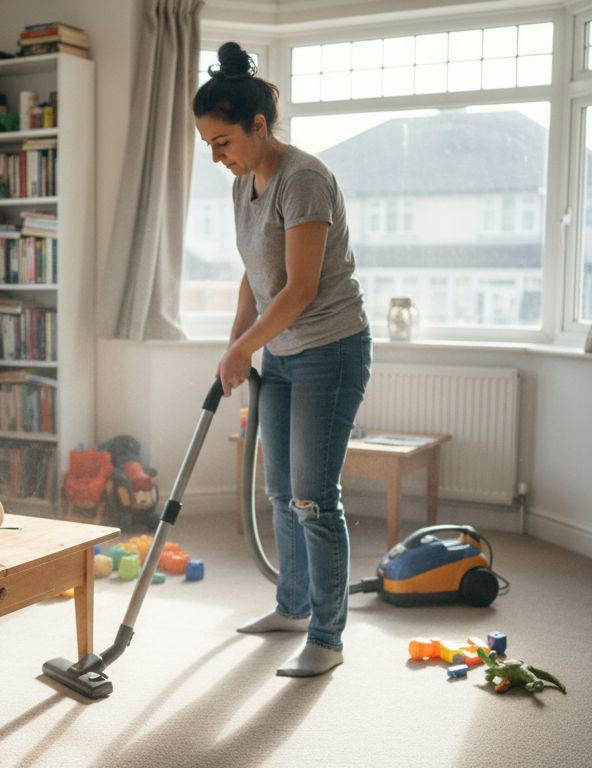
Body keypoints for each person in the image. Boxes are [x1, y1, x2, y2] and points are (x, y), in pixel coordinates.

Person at [194, 42, 371, 678]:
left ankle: (327, 637)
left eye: (222, 142)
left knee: (313, 498)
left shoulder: (304, 179)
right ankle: (293, 606)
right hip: (284, 353)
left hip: (331, 349)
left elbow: (298, 288)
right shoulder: (245, 184)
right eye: (209, 145)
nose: (216, 157)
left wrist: (246, 347)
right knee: (278, 489)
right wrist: (234, 344)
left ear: (258, 125)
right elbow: (256, 275)